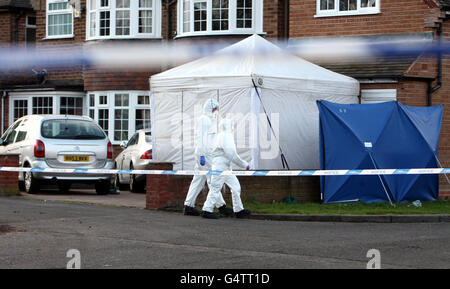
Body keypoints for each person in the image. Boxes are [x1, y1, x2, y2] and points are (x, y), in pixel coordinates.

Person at [183, 99, 233, 217]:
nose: (216, 111)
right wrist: (201, 155)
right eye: (215, 109)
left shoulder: (209, 120)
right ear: (210, 108)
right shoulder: (204, 120)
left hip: (205, 154)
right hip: (204, 155)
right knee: (213, 179)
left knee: (198, 180)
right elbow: (201, 139)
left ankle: (188, 206)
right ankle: (220, 207)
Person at [201, 118, 252, 219]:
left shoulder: (220, 136)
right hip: (221, 167)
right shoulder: (226, 136)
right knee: (215, 188)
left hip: (224, 167)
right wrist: (244, 164)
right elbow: (231, 154)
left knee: (236, 187)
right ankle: (207, 209)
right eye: (231, 125)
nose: (233, 127)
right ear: (228, 126)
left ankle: (238, 210)